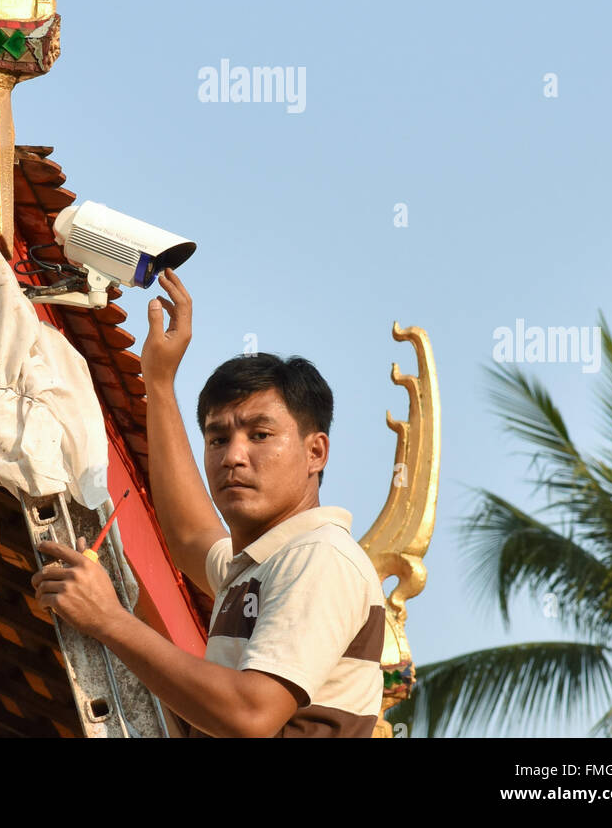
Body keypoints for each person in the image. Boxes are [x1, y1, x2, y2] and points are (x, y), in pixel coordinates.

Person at [32, 267, 385, 737]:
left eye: (260, 435)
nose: (234, 457)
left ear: (315, 451)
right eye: (218, 439)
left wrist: (109, 620)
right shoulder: (258, 564)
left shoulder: (319, 557)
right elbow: (189, 536)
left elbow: (250, 715)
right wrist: (157, 381)